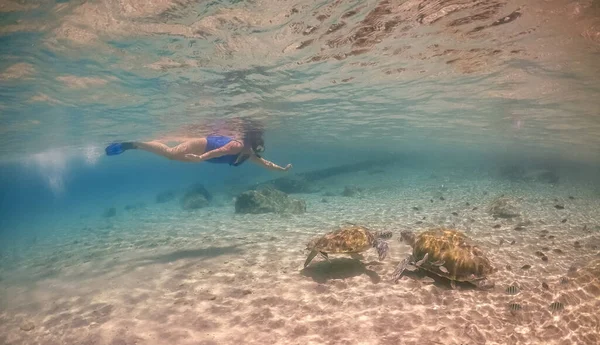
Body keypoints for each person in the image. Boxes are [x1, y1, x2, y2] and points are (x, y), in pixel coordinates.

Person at [104, 130, 292, 172]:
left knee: (173, 157)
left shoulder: (248, 153)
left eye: (257, 149)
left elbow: (265, 163)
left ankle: (143, 145)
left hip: (203, 155)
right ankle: (134, 144)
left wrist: (281, 169)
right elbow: (218, 152)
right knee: (171, 153)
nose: (254, 151)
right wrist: (201, 157)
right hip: (203, 146)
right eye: (254, 147)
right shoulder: (237, 146)